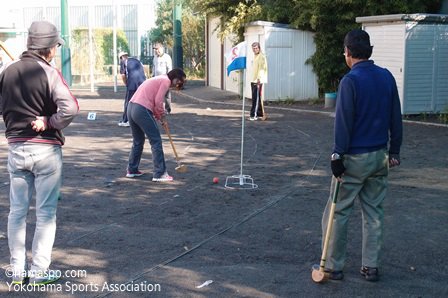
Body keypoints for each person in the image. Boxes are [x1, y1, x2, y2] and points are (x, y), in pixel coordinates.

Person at [320, 29, 403, 282]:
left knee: (338, 212)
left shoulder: (350, 81)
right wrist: (395, 150)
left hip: (354, 159)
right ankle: (371, 267)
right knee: (374, 213)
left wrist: (337, 156)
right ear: (369, 51)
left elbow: (343, 123)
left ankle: (333, 266)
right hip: (380, 157)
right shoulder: (387, 77)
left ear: (348, 52)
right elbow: (395, 118)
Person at [0, 20, 79, 285]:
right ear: (49, 47)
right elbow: (70, 108)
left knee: (17, 213)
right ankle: (38, 272)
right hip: (45, 149)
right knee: (45, 214)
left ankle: (17, 270)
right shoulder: (50, 71)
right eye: (56, 45)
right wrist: (49, 121)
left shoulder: (7, 70)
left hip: (16, 149)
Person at [126, 68, 186, 181]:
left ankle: (132, 170)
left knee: (138, 141)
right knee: (156, 141)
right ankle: (160, 173)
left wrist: (159, 118)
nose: (177, 85)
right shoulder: (166, 81)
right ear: (175, 78)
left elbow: (153, 103)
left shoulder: (159, 78)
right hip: (141, 109)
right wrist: (163, 115)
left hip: (131, 108)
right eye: (179, 83)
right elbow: (158, 101)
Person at [118, 51, 146, 127]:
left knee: (128, 102)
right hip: (143, 83)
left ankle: (126, 120)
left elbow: (123, 76)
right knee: (141, 102)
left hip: (132, 84)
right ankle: (142, 120)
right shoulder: (137, 61)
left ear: (121, 58)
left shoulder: (124, 61)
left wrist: (126, 84)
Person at [152, 43, 173, 114]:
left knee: (167, 95)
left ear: (162, 48)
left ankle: (168, 109)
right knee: (157, 95)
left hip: (165, 79)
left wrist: (169, 78)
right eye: (155, 49)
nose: (156, 51)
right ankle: (158, 109)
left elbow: (169, 68)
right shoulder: (155, 57)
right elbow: (154, 67)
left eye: (157, 49)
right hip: (156, 79)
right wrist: (153, 76)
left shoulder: (167, 57)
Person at [249, 42, 267, 121]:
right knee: (257, 98)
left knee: (255, 99)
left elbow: (262, 68)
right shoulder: (255, 56)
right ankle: (260, 114)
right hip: (253, 80)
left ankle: (253, 115)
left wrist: (259, 78)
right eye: (253, 48)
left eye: (256, 48)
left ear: (259, 48)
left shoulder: (261, 57)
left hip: (257, 80)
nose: (255, 50)